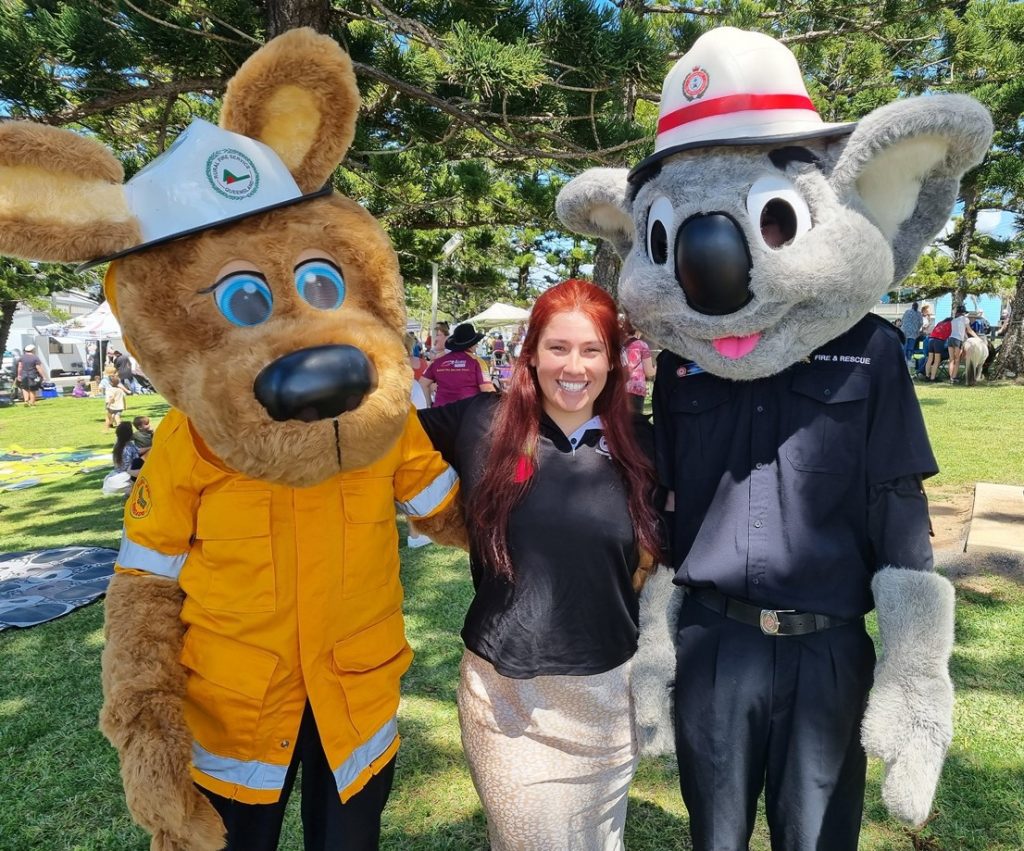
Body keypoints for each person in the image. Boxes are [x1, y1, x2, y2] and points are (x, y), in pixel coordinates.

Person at [417, 279, 662, 851]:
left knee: (600, 842)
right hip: (506, 697)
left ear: (612, 360)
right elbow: (367, 445)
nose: (573, 366)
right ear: (530, 352)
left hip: (608, 695)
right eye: (558, 347)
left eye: (591, 349)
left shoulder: (645, 443)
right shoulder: (479, 423)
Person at [418, 322, 494, 407]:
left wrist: (429, 405)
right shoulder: (477, 362)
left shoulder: (438, 361)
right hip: (467, 412)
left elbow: (422, 383)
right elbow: (487, 389)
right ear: (471, 344)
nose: (477, 345)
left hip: (440, 413)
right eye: (476, 343)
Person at [622, 317, 655, 414]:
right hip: (636, 389)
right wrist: (656, 369)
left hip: (620, 389)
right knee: (635, 422)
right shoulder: (642, 345)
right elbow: (649, 372)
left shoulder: (620, 344)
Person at [947, 304, 978, 383]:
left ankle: (950, 377)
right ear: (963, 313)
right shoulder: (965, 319)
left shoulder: (953, 320)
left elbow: (961, 331)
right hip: (958, 340)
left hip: (950, 339)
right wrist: (977, 338)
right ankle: (953, 378)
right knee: (957, 360)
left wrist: (966, 337)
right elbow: (969, 330)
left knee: (951, 360)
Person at [925, 314, 953, 381]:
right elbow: (950, 335)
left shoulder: (940, 323)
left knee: (930, 359)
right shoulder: (950, 324)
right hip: (939, 341)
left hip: (931, 340)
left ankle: (927, 376)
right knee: (937, 360)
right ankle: (932, 378)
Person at [900, 302, 924, 366]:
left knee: (904, 345)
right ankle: (908, 359)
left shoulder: (907, 311)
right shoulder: (919, 314)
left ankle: (902, 359)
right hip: (913, 332)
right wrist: (917, 329)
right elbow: (921, 323)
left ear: (912, 306)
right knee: (910, 347)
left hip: (904, 331)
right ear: (917, 307)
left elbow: (902, 320)